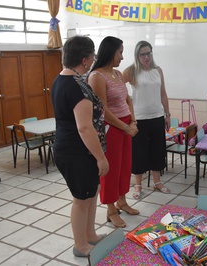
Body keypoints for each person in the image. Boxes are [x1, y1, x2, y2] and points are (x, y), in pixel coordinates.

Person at [51, 35, 109, 257]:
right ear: (85, 60)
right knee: (81, 199)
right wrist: (100, 158)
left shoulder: (62, 80)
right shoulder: (76, 87)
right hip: (76, 151)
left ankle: (90, 235)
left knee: (90, 193)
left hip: (76, 149)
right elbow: (84, 128)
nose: (94, 59)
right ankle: (80, 245)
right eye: (93, 55)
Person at [88, 36, 139, 228]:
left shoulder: (117, 74)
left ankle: (122, 201)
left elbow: (128, 100)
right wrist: (125, 127)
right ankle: (111, 209)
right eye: (120, 52)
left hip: (126, 126)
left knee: (125, 166)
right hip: (112, 129)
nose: (122, 57)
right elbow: (103, 110)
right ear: (110, 52)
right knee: (111, 169)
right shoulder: (96, 77)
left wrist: (133, 121)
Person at [122, 40, 171, 199]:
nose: (146, 57)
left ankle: (157, 182)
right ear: (137, 55)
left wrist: (167, 114)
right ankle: (138, 185)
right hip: (139, 119)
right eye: (143, 54)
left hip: (157, 116)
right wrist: (128, 111)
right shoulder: (131, 71)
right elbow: (118, 91)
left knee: (157, 150)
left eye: (149, 53)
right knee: (139, 152)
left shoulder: (158, 70)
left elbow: (163, 93)